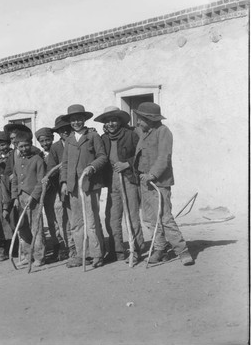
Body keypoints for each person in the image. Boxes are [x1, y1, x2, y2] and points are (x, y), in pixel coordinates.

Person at [133, 102, 194, 266]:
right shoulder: (144, 131)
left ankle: (182, 251)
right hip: (145, 183)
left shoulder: (163, 132)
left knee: (165, 218)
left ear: (150, 119)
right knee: (150, 218)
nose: (138, 123)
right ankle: (160, 249)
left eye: (140, 119)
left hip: (159, 183)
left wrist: (152, 174)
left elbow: (164, 157)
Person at [94, 106, 144, 264]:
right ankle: (117, 251)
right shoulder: (103, 138)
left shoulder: (131, 135)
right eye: (107, 121)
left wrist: (127, 164)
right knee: (112, 218)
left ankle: (136, 250)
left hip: (129, 179)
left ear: (120, 121)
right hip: (112, 182)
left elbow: (141, 155)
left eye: (114, 120)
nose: (111, 124)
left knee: (132, 216)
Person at [60, 104, 107, 269]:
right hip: (73, 187)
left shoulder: (93, 136)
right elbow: (65, 164)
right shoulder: (69, 140)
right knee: (76, 222)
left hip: (89, 184)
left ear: (84, 119)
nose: (76, 122)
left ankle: (97, 255)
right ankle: (82, 255)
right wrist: (64, 182)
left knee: (91, 221)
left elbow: (102, 157)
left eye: (79, 119)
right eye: (73, 120)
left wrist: (92, 167)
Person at [11, 131, 46, 267]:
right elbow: (14, 180)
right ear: (17, 147)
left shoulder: (37, 160)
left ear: (31, 144)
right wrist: (15, 197)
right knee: (23, 228)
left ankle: (39, 256)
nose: (24, 149)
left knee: (35, 228)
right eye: (21, 147)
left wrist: (34, 196)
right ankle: (27, 255)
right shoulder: (18, 160)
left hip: (33, 199)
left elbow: (41, 180)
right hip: (20, 198)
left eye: (26, 146)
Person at [47, 115, 74, 260]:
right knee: (66, 219)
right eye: (61, 130)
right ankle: (71, 248)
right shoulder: (56, 147)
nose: (65, 132)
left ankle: (89, 248)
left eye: (67, 129)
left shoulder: (77, 141)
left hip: (79, 185)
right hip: (62, 187)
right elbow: (51, 167)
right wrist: (60, 168)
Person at [35, 127, 62, 262]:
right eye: (42, 141)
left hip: (57, 189)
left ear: (52, 139)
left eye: (47, 140)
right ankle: (56, 247)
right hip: (47, 192)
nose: (45, 143)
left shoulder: (57, 150)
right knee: (51, 221)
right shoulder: (39, 155)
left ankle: (66, 247)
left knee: (61, 218)